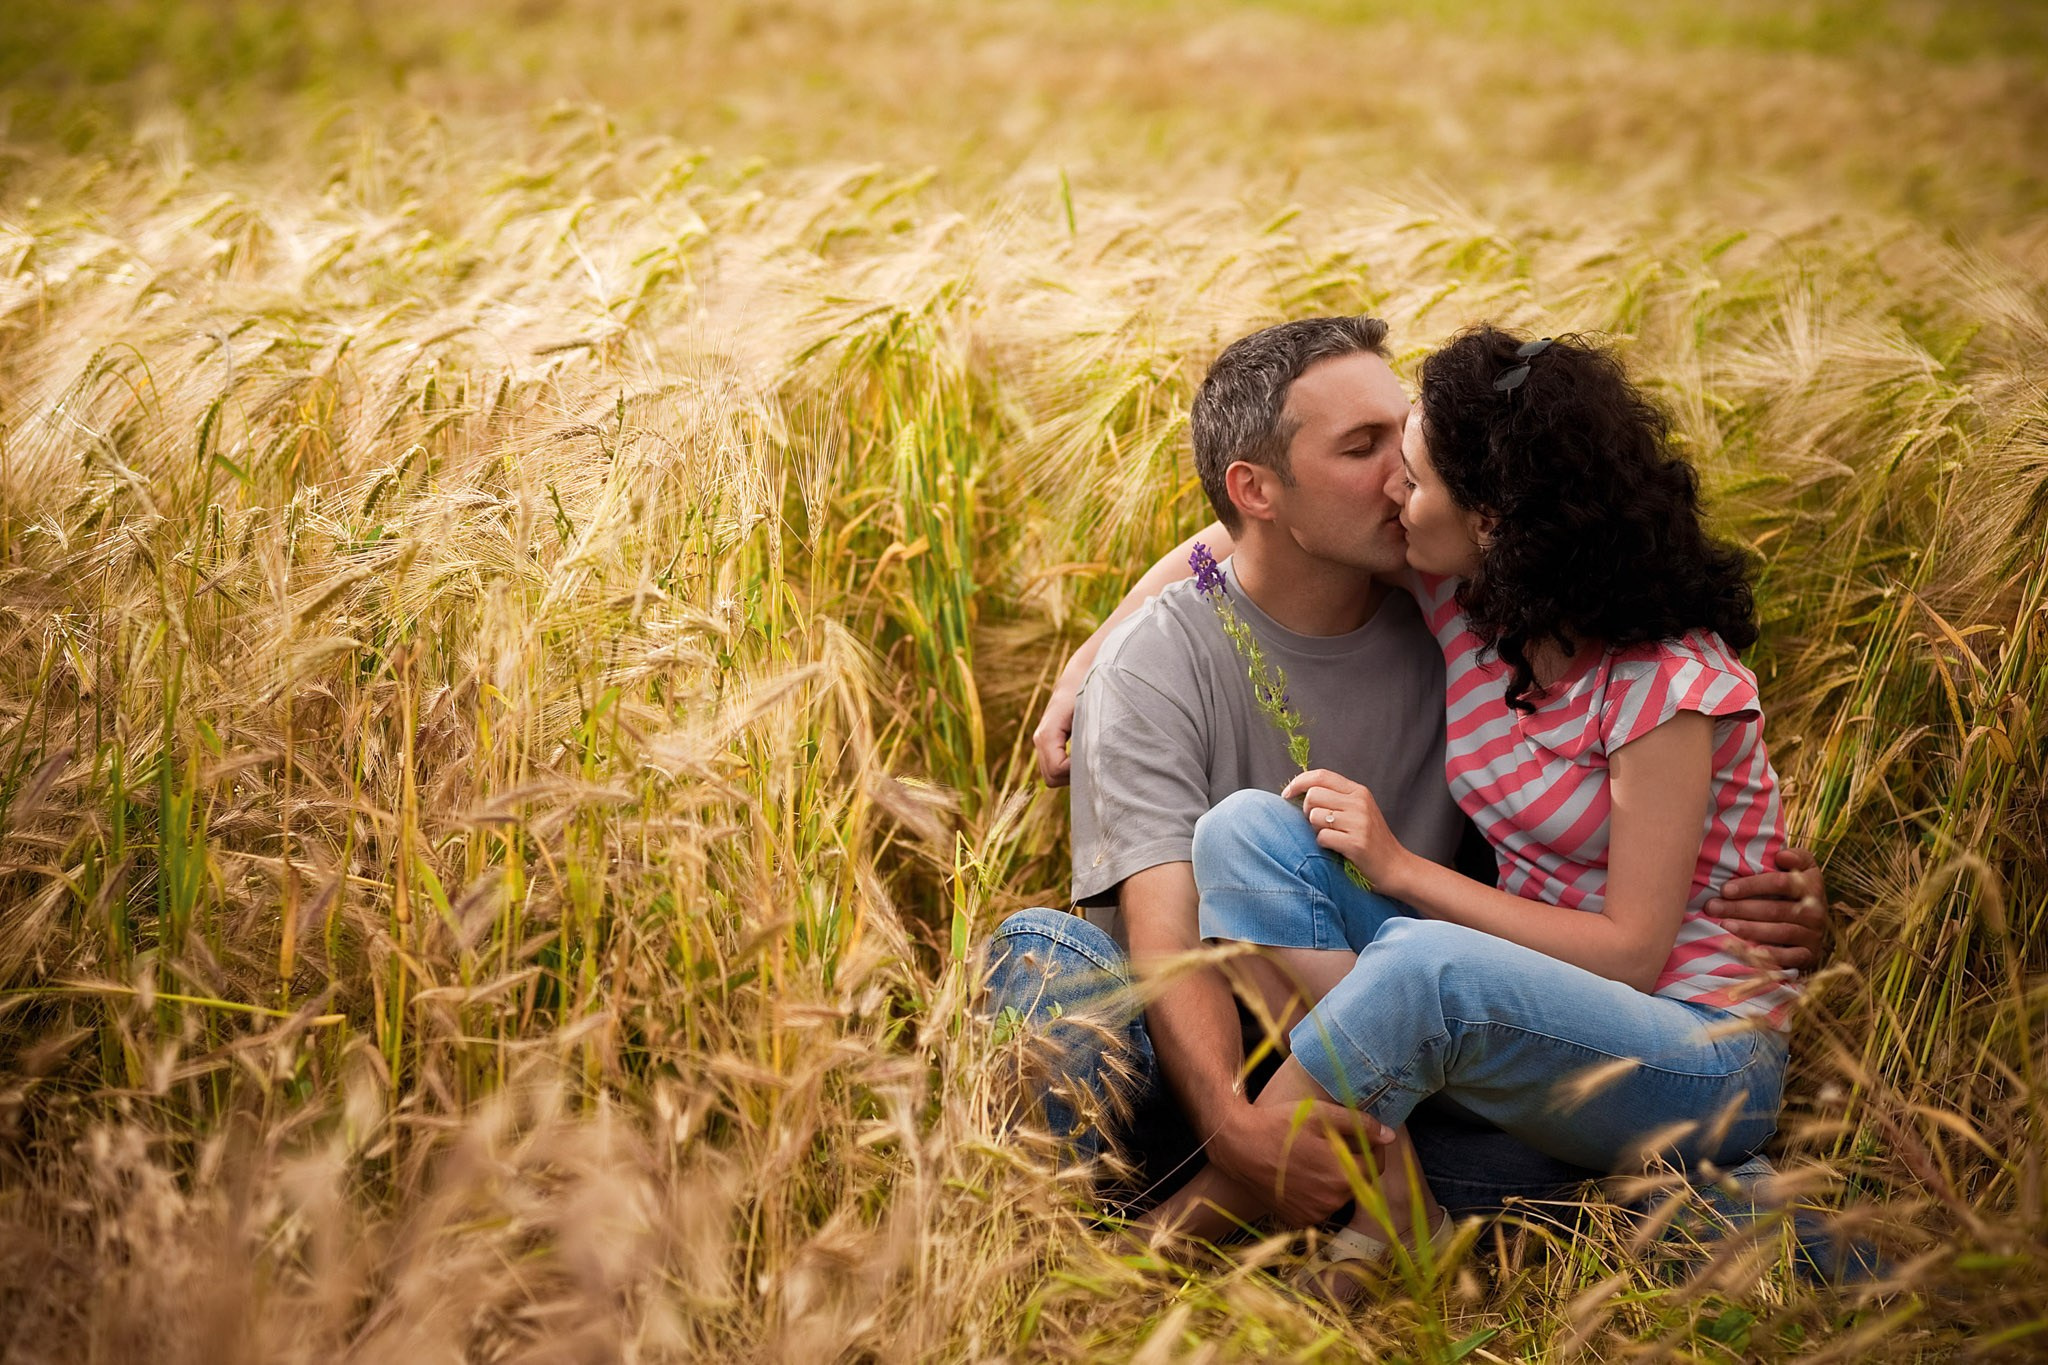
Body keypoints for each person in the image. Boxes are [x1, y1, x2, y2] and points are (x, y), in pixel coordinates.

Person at [985, 316, 1828, 1230]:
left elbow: (1634, 927)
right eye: (1365, 449)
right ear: (1261, 490)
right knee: (1143, 898)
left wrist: (1398, 869)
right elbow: (1224, 547)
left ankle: (1211, 1232)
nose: (1397, 481)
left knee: (1426, 981)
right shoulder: (1438, 614)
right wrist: (1091, 665)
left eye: (1411, 457)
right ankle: (1376, 1186)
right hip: (1318, 1038)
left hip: (1550, 1029)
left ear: (1490, 514)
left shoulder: (1551, 640)